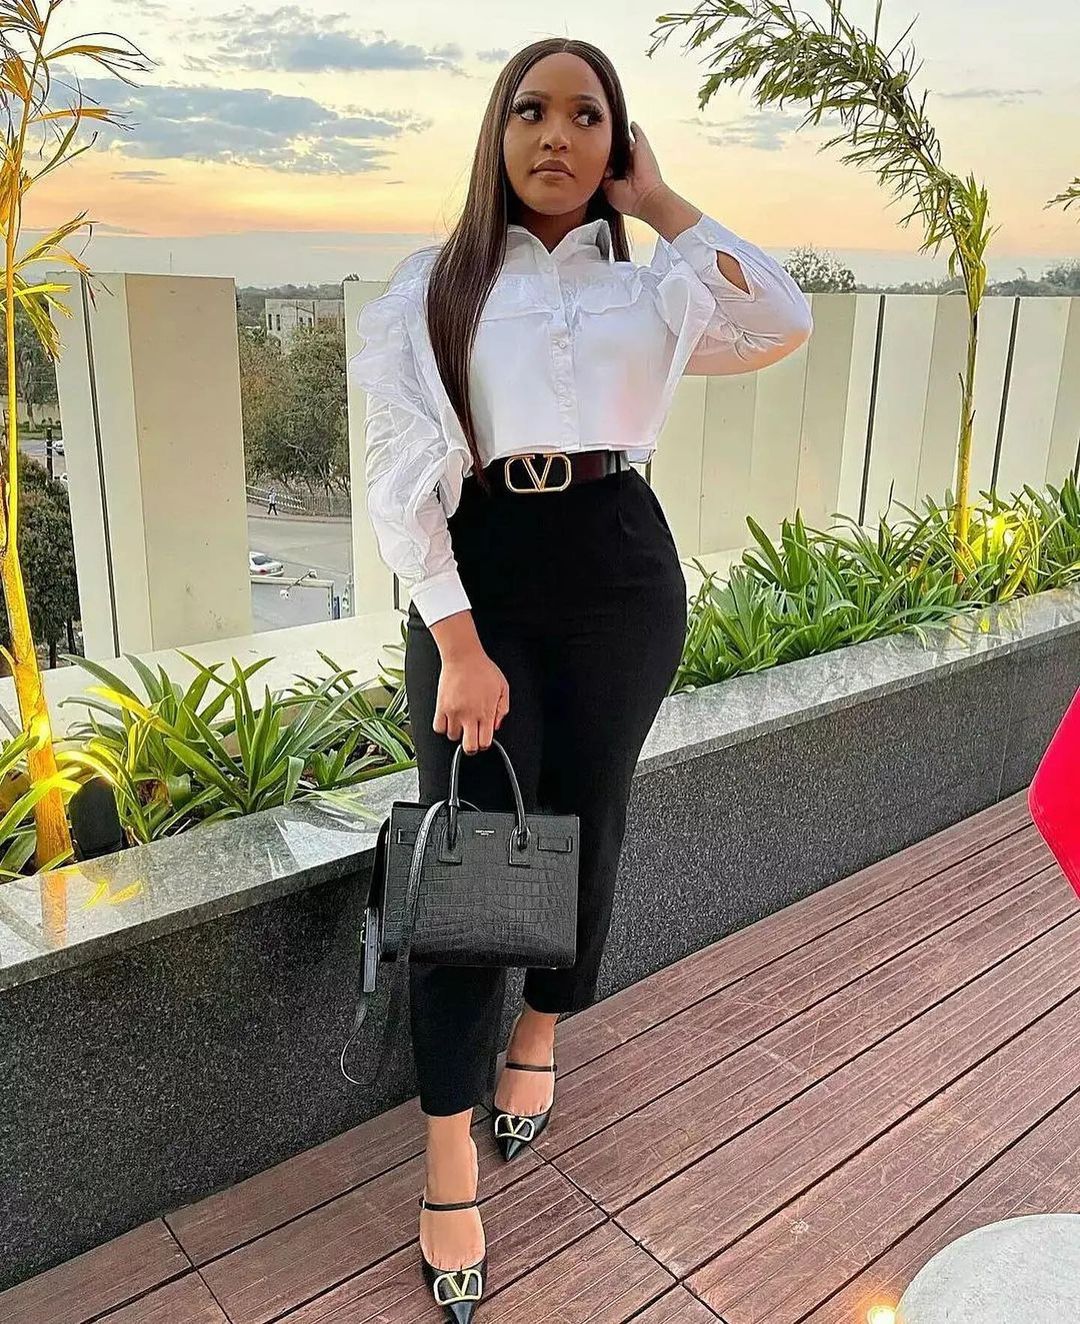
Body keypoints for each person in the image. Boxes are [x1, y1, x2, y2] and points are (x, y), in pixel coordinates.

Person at [348, 37, 812, 1321]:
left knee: (591, 817)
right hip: (480, 573)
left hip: (619, 567)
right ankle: (447, 1151)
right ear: (497, 134)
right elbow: (396, 477)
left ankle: (543, 1029)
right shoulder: (435, 286)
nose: (556, 134)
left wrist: (658, 204)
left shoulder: (652, 291)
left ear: (618, 140)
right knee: (465, 847)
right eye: (531, 110)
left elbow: (782, 318)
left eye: (587, 115)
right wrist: (457, 643)